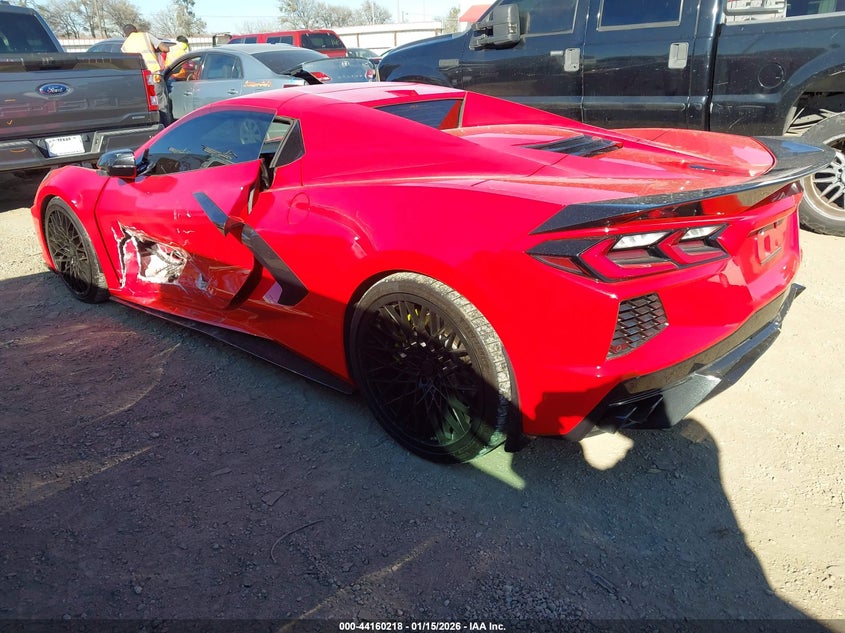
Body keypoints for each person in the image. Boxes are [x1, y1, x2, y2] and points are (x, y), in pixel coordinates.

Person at [121, 24, 171, 124]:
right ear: (136, 30)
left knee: (147, 104)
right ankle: (166, 127)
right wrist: (155, 49)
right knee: (161, 102)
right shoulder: (145, 35)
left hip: (139, 79)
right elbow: (166, 49)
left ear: (125, 34)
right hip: (153, 74)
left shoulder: (124, 46)